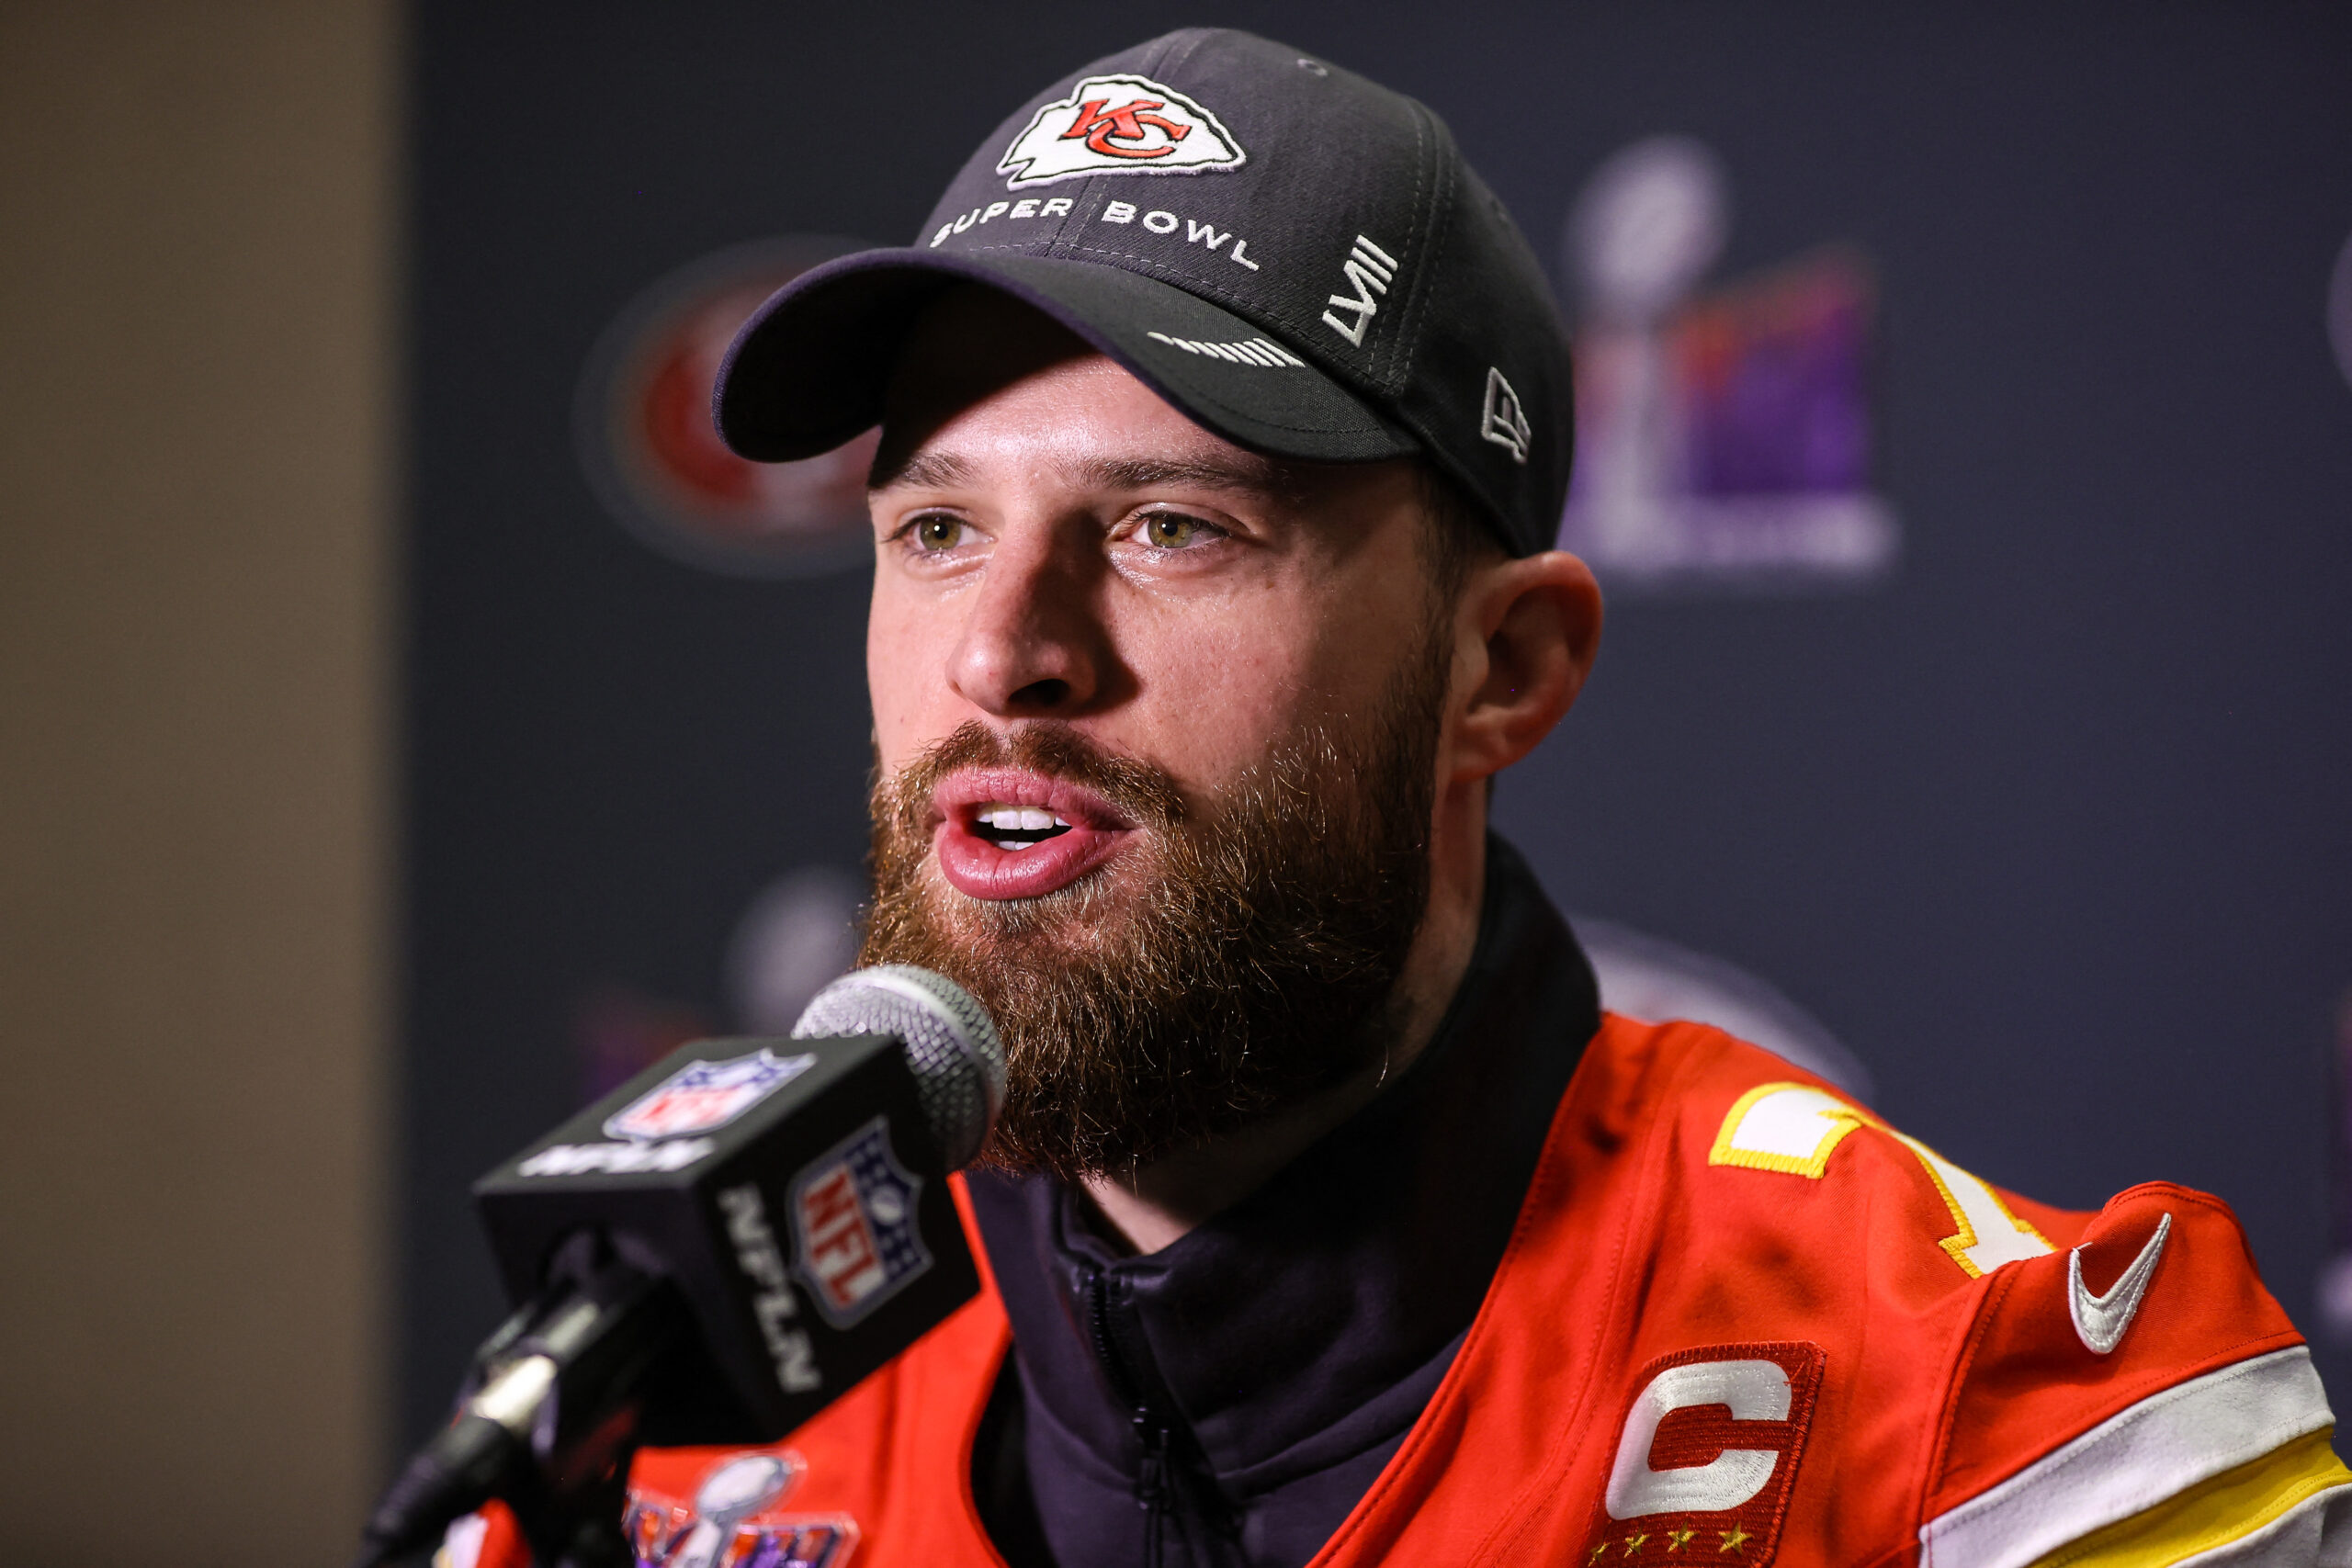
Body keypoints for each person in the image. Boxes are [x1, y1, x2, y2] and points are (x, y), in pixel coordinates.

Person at [451, 28, 2347, 1568]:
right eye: (937, 528)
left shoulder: (2000, 1416)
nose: (1002, 652)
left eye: (1170, 525)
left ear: (1500, 668)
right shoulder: (643, 1431)